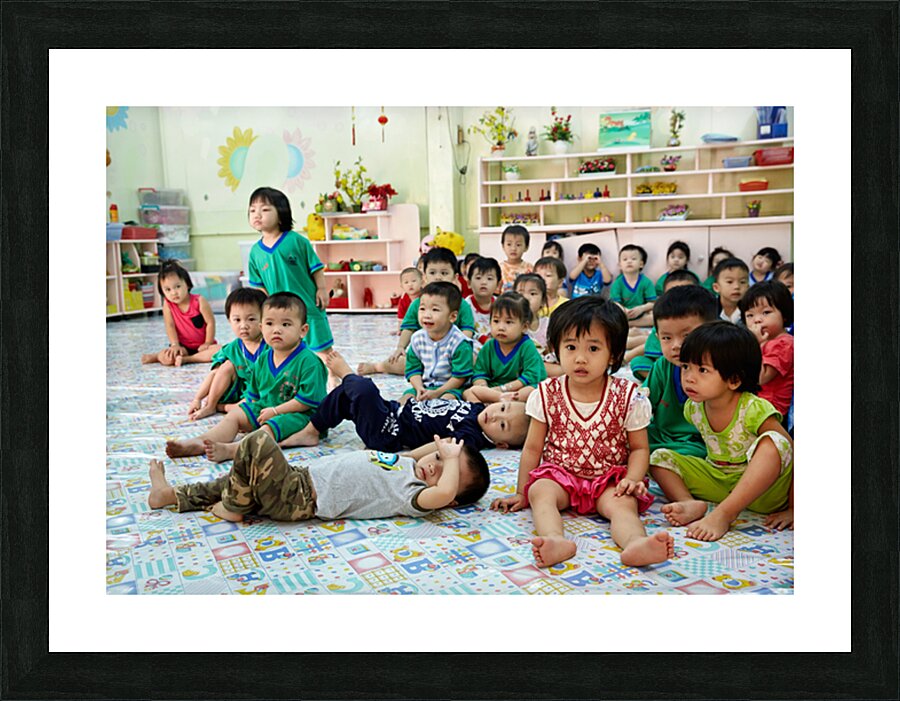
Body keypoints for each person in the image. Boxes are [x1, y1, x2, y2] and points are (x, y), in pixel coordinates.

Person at [491, 297, 674, 569]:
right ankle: (555, 540)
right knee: (540, 491)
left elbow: (639, 448)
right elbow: (532, 448)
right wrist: (521, 492)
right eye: (570, 347)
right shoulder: (546, 394)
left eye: (593, 348)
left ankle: (636, 543)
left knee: (624, 505)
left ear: (613, 354)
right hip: (560, 477)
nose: (580, 358)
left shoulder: (628, 396)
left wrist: (633, 479)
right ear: (556, 349)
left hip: (608, 480)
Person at [649, 321, 793, 541]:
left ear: (734, 380)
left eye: (703, 370)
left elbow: (790, 452)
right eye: (686, 367)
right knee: (659, 457)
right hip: (719, 480)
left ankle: (725, 514)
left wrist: (795, 508)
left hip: (763, 492)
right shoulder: (694, 408)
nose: (689, 377)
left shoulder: (753, 409)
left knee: (774, 442)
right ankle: (688, 502)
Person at [149, 430, 490, 523]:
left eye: (445, 472)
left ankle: (233, 507)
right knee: (236, 478)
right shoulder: (408, 464)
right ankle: (170, 495)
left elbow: (444, 493)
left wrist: (451, 461)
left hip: (301, 498)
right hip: (298, 478)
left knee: (257, 442)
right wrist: (447, 449)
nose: (434, 467)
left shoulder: (414, 494)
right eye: (437, 459)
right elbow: (425, 453)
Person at [164, 292, 327, 462]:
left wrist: (275, 411)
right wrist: (246, 415)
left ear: (303, 330)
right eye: (270, 323)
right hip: (267, 408)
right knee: (235, 415)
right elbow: (254, 396)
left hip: (301, 416)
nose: (276, 329)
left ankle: (234, 450)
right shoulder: (264, 358)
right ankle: (200, 442)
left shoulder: (309, 362)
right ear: (262, 327)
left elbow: (306, 402)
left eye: (286, 324)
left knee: (271, 427)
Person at [284, 349, 530, 451]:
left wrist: (408, 458)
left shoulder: (472, 435)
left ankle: (346, 373)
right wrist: (500, 395)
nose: (495, 415)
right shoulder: (477, 410)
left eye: (502, 424)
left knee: (363, 388)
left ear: (501, 444)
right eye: (503, 408)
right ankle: (311, 431)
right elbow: (471, 392)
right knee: (345, 396)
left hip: (389, 433)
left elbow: (442, 447)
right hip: (393, 411)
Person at [356, 247, 476, 377]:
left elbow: (467, 331)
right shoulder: (417, 304)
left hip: (452, 352)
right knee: (401, 363)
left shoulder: (462, 304)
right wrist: (401, 347)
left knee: (474, 361)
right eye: (432, 272)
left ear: (455, 277)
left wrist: (459, 350)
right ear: (424, 277)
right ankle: (378, 366)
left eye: (444, 273)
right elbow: (409, 327)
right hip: (424, 354)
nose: (438, 277)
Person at [245, 187, 333, 354]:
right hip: (279, 313)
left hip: (308, 305)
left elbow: (316, 268)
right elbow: (259, 287)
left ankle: (334, 370)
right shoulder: (255, 252)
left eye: (265, 210)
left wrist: (321, 289)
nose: (257, 214)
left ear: (281, 214)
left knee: (322, 350)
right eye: (252, 210)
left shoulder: (297, 241)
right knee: (286, 350)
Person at [643, 285, 718, 457]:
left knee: (692, 455)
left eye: (686, 335)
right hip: (660, 435)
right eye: (667, 338)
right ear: (657, 337)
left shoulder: (718, 369)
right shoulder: (663, 366)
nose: (676, 345)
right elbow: (644, 402)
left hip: (698, 442)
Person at [188, 287, 267, 421]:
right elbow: (214, 374)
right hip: (237, 391)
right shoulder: (233, 348)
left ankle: (223, 407)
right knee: (226, 366)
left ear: (263, 319)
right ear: (229, 320)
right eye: (237, 320)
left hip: (260, 393)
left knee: (254, 404)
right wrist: (197, 399)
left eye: (251, 319)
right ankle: (211, 405)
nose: (243, 325)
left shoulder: (270, 346)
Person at [463, 292, 546, 405]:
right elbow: (479, 373)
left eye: (508, 322)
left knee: (531, 391)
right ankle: (484, 409)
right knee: (468, 392)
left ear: (524, 327)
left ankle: (500, 404)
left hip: (517, 390)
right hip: (495, 390)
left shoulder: (527, 346)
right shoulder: (489, 346)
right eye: (496, 321)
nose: (501, 327)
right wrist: (484, 388)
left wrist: (504, 388)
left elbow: (531, 376)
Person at [401, 281, 473, 404]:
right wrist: (419, 388)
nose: (427, 315)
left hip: (451, 388)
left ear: (452, 316)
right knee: (406, 399)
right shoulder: (417, 339)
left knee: (447, 401)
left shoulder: (460, 343)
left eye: (435, 310)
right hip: (425, 385)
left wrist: (438, 392)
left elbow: (460, 377)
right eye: (422, 309)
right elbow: (413, 369)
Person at [141, 260, 219, 366]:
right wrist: (175, 345)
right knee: (168, 358)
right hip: (183, 346)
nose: (174, 293)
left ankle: (187, 359)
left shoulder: (199, 301)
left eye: (177, 287)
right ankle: (157, 356)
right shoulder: (168, 305)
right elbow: (170, 325)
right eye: (168, 290)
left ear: (187, 284)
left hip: (204, 346)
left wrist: (208, 342)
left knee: (219, 352)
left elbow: (210, 322)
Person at [627, 269, 701, 376]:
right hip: (666, 362)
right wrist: (625, 358)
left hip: (693, 365)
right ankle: (663, 379)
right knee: (638, 363)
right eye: (672, 293)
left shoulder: (700, 319)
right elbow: (650, 346)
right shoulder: (664, 321)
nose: (678, 298)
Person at [739, 281, 794, 417]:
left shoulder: (784, 344)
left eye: (766, 312)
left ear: (784, 315)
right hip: (756, 404)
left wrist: (758, 343)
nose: (757, 320)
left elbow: (761, 378)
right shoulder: (761, 341)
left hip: (771, 410)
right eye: (750, 315)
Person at [609, 244, 657, 327]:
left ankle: (629, 324)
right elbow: (615, 303)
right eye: (625, 259)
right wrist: (625, 310)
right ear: (620, 265)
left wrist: (641, 309)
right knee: (609, 315)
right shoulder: (617, 283)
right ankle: (629, 324)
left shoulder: (647, 282)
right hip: (623, 314)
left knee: (655, 316)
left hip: (642, 314)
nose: (629, 261)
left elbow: (653, 303)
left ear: (641, 264)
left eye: (633, 259)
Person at [465, 256, 502, 354]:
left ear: (498, 285)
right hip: (474, 348)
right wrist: (483, 339)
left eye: (489, 278)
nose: (484, 282)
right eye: (478, 278)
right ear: (469, 283)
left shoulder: (502, 305)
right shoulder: (465, 306)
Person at [712, 257, 750, 324]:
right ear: (716, 287)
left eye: (742, 282)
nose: (737, 286)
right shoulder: (709, 310)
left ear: (748, 287)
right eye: (730, 282)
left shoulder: (751, 310)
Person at [499, 225, 533, 292]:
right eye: (509, 244)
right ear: (503, 246)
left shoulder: (530, 268)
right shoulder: (499, 268)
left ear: (526, 247)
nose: (513, 248)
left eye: (518, 245)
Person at [394, 267, 423, 335]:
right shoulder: (403, 298)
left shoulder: (425, 296)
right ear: (402, 286)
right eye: (406, 282)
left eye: (414, 281)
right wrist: (400, 330)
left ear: (422, 282)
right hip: (410, 324)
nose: (410, 284)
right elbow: (401, 317)